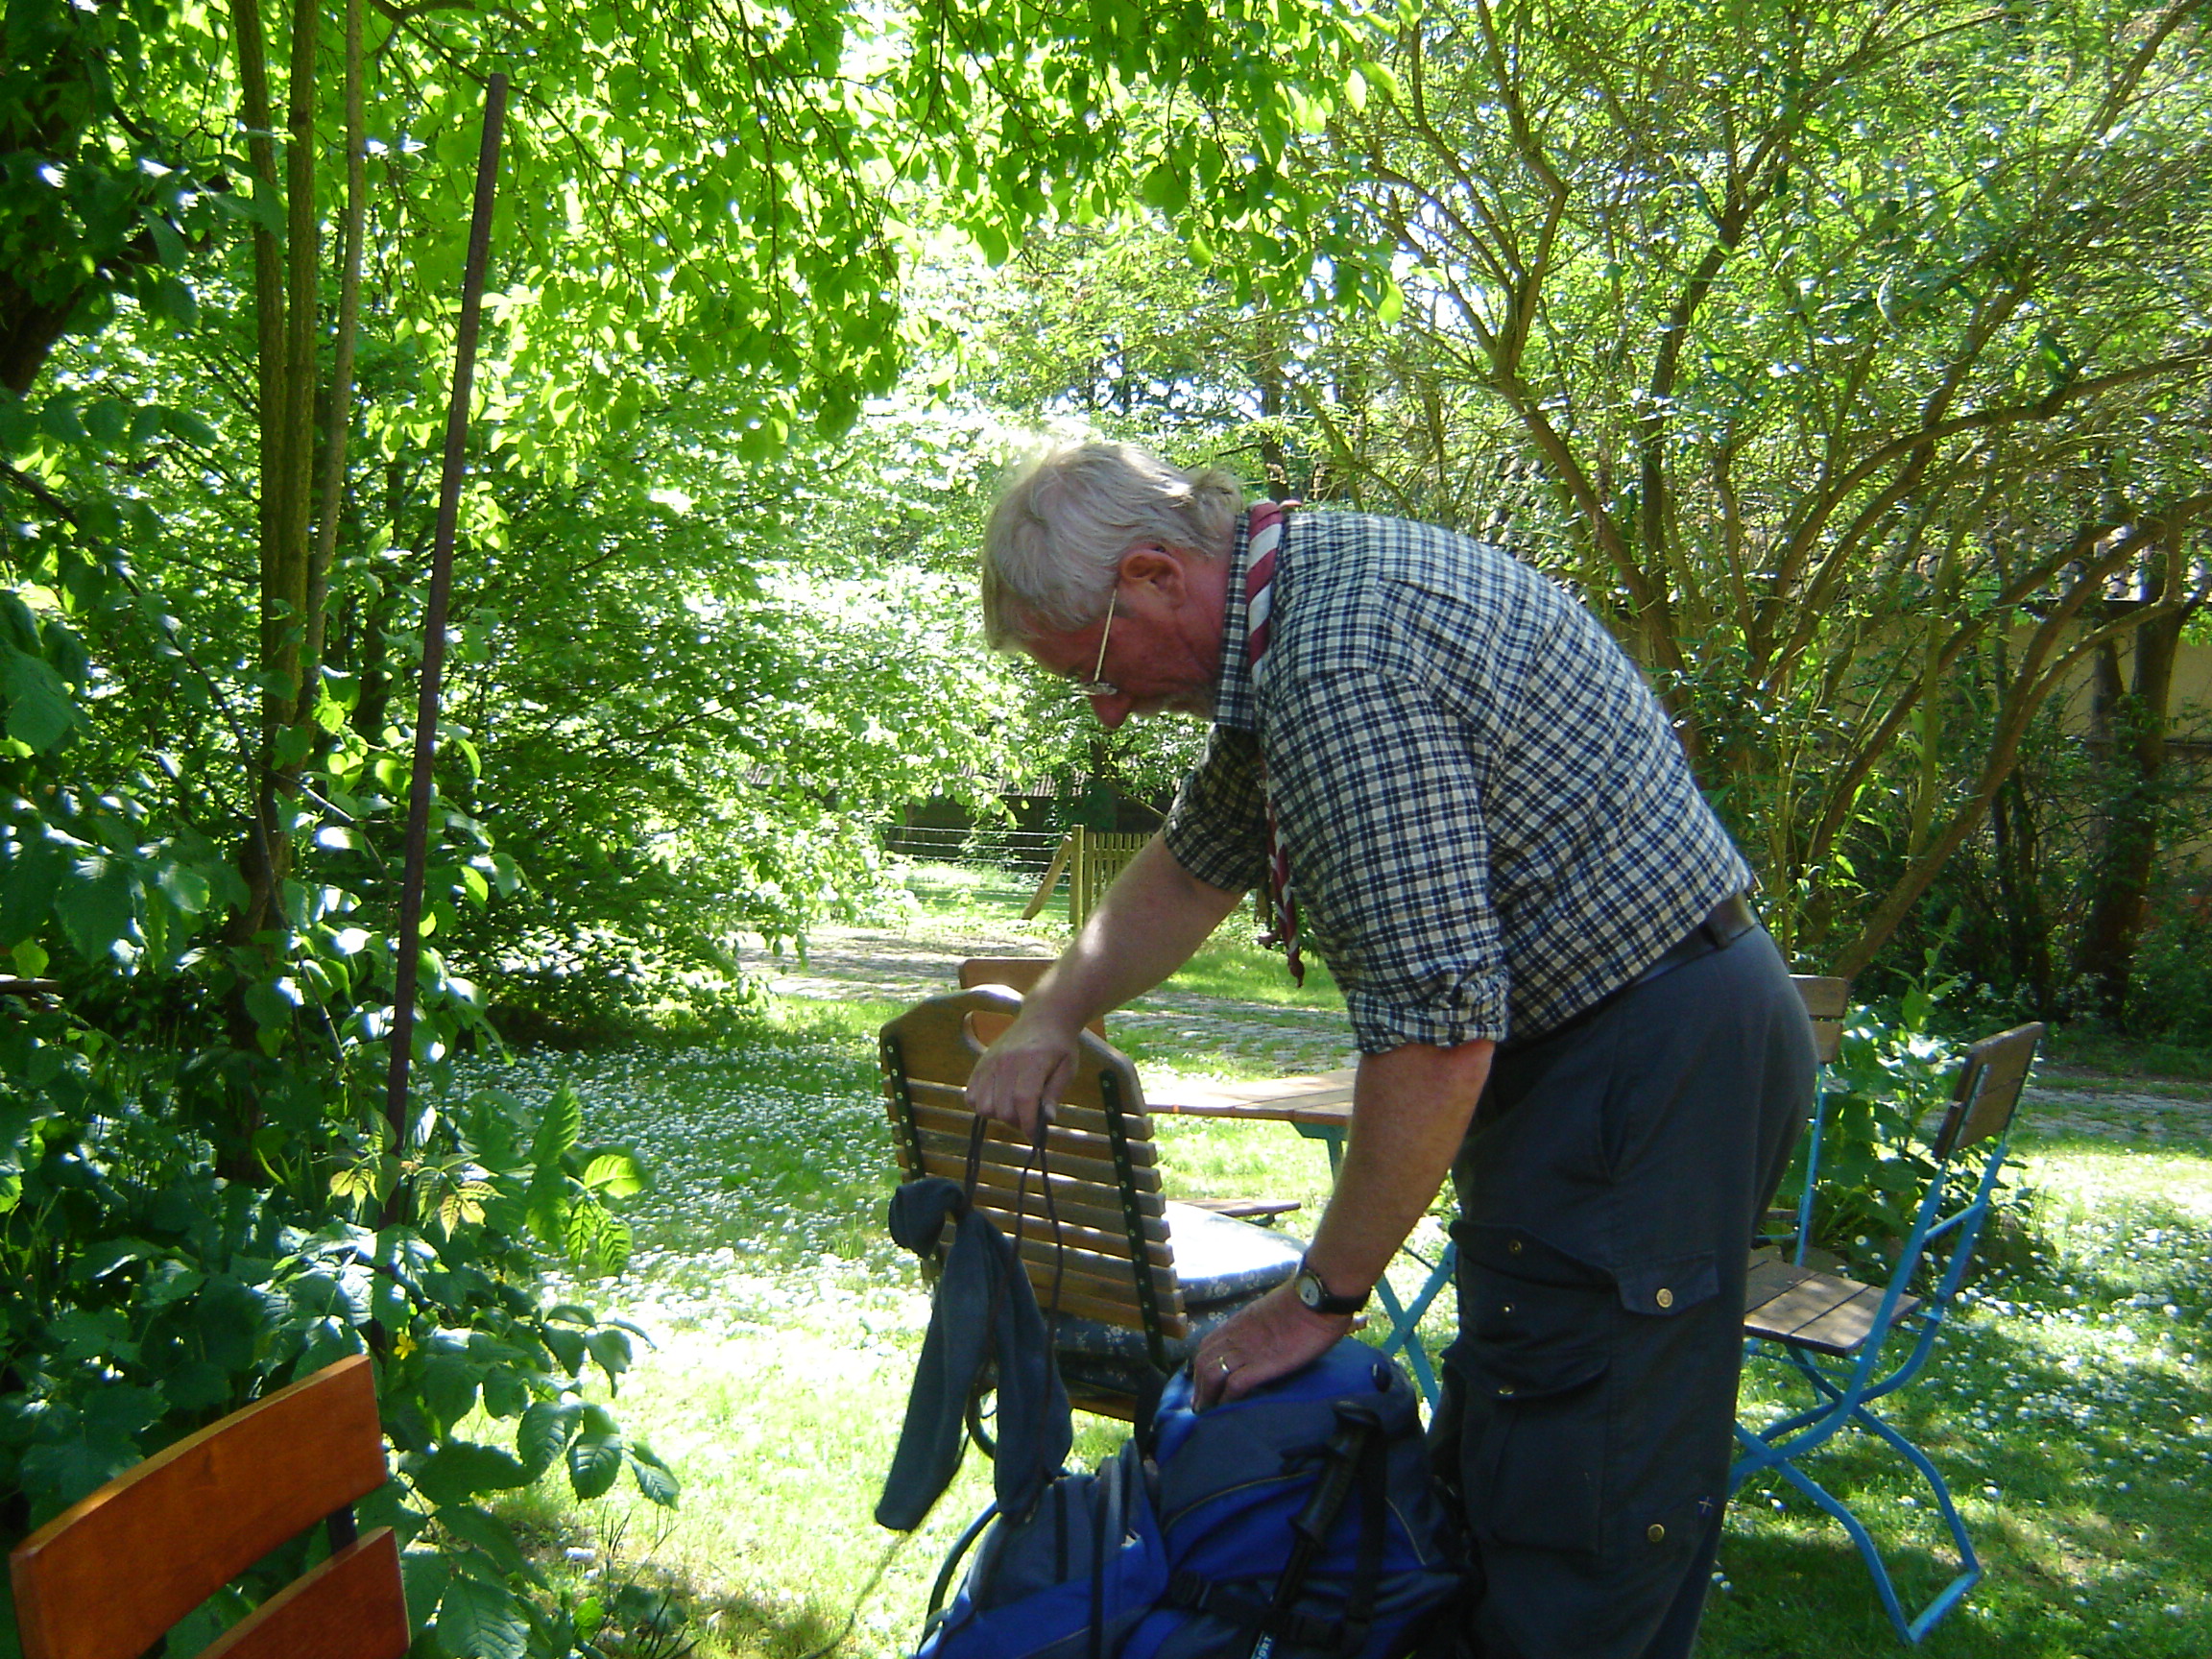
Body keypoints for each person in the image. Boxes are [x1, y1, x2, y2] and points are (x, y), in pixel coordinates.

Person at [963, 441, 1814, 1659]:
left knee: (1582, 1500)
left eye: (1096, 668)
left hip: (1643, 1060)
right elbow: (1199, 858)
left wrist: (1316, 1300)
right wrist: (1055, 1010)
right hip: (1622, 1042)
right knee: (1518, 1437)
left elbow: (1436, 1033)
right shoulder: (1294, 605)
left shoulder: (1336, 666)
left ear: (1155, 575)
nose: (1108, 708)